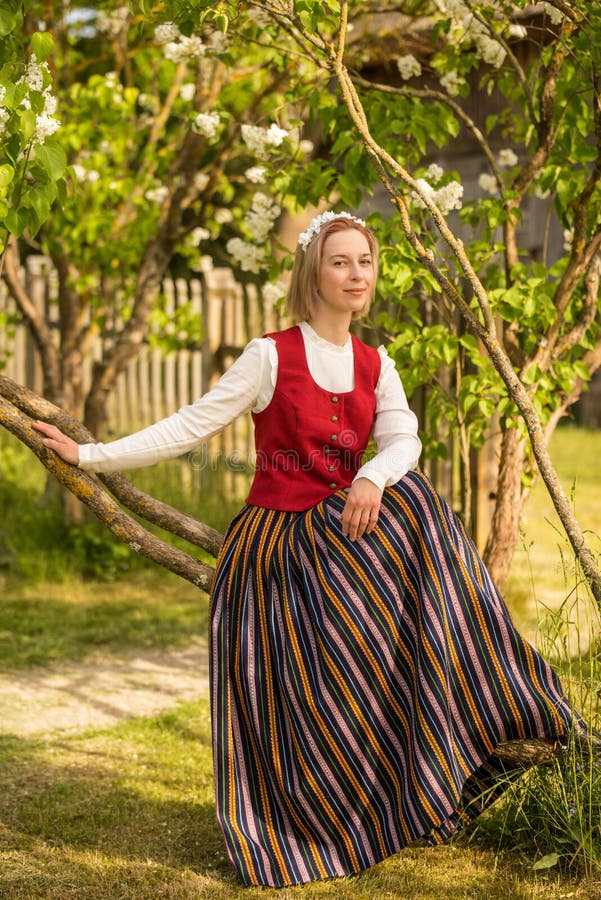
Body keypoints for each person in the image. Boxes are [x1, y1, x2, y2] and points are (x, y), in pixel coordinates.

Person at [33, 211, 583, 888]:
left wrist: (372, 476)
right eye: (340, 262)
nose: (356, 275)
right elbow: (189, 425)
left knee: (414, 499)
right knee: (414, 512)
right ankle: (327, 802)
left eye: (364, 262)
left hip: (344, 528)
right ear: (313, 275)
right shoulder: (270, 355)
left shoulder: (374, 363)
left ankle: (478, 694)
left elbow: (403, 439)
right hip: (281, 535)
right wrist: (87, 454)